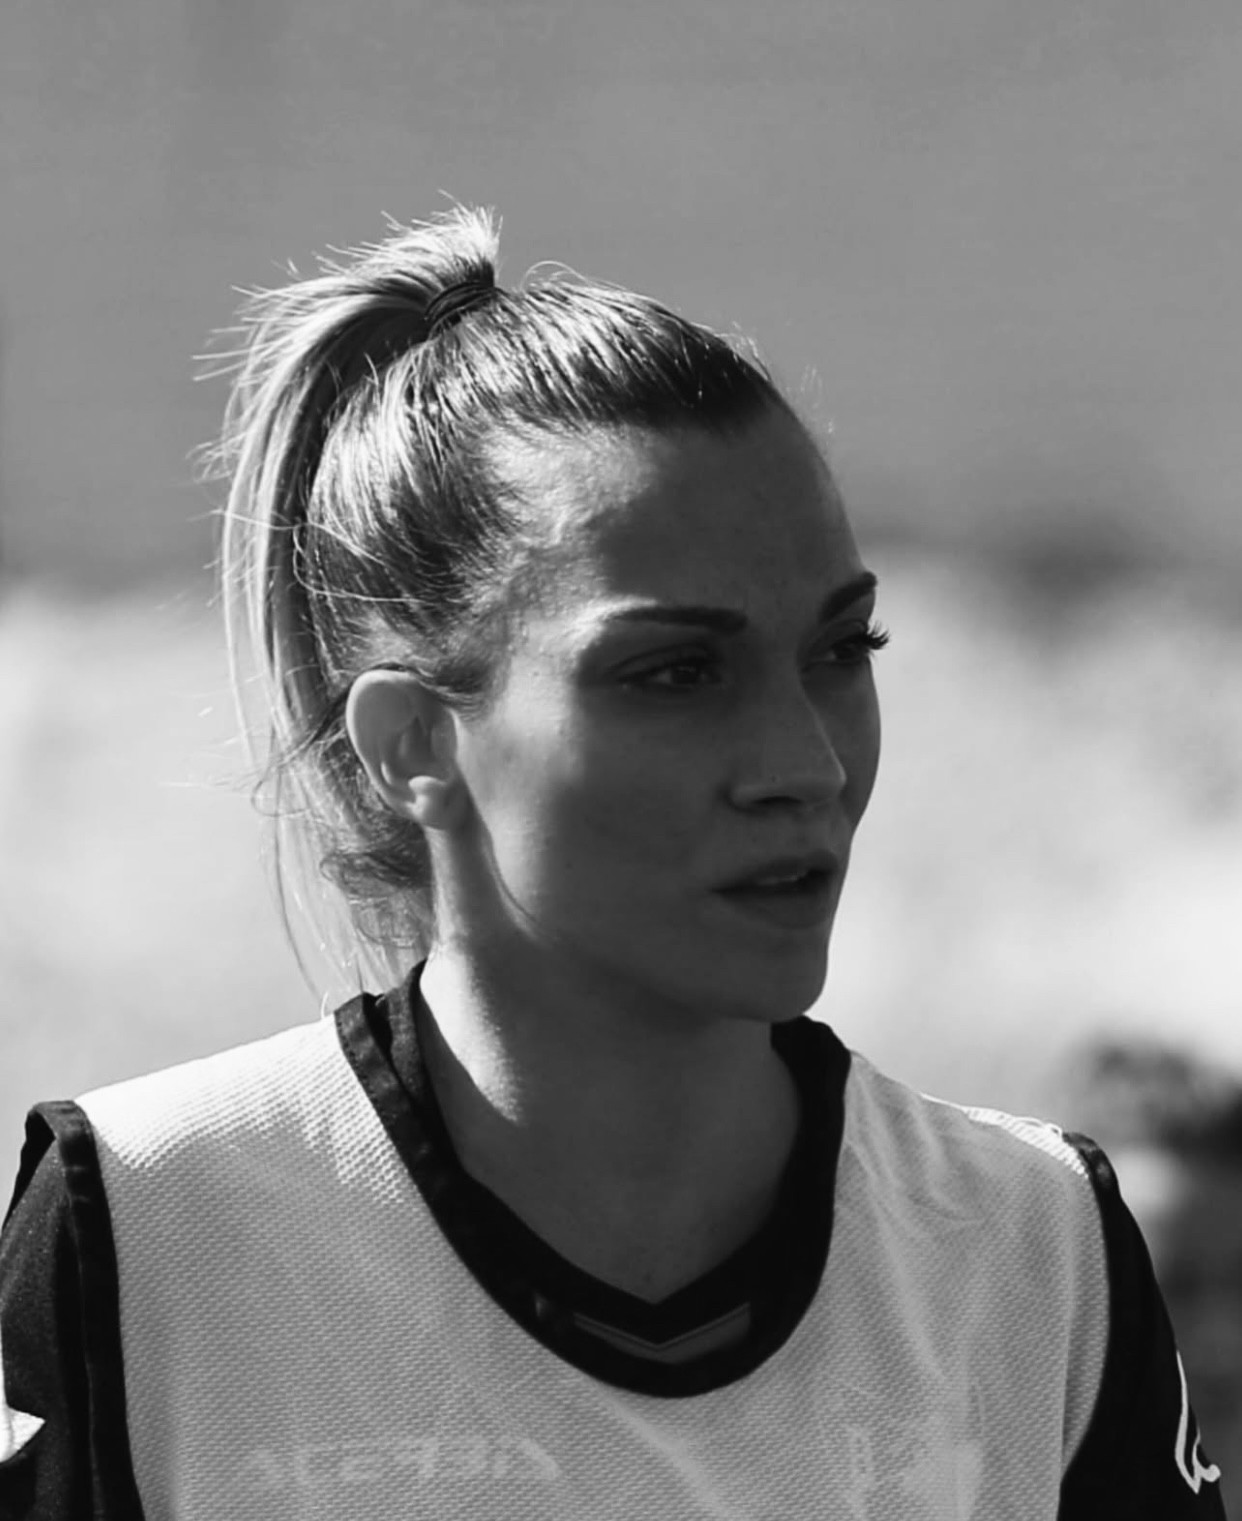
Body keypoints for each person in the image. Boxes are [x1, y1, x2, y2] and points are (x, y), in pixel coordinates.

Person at [0, 207, 1227, 1521]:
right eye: (676, 673)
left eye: (840, 651)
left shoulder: (1033, 1249)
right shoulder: (148, 1232)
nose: (804, 761)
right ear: (415, 744)